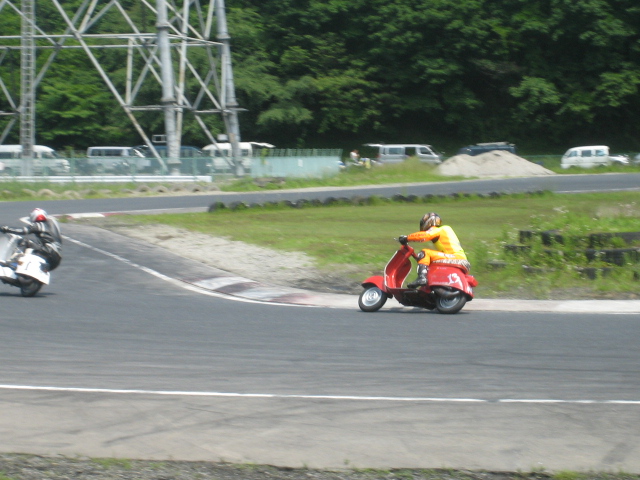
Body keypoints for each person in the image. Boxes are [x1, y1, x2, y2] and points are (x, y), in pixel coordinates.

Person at [399, 212, 469, 288]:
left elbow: (425, 235)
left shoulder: (439, 229)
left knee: (425, 253)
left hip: (455, 258)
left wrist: (407, 238)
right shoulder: (446, 229)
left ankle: (422, 278)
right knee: (428, 259)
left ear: (430, 221)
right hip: (458, 259)